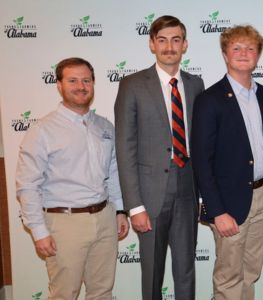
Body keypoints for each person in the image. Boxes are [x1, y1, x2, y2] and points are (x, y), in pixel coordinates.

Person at [16, 57, 129, 299]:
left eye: (86, 80)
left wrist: (120, 211)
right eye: (73, 80)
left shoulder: (105, 127)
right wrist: (38, 230)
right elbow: (27, 185)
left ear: (94, 84)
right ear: (59, 85)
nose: (81, 86)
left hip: (105, 219)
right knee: (64, 294)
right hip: (63, 223)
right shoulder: (42, 130)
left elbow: (113, 172)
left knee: (102, 292)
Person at [114, 15, 204, 300]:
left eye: (175, 40)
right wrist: (134, 206)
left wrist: (203, 197)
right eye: (162, 40)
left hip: (188, 191)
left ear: (185, 45)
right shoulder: (132, 84)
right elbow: (124, 147)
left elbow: (200, 143)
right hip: (150, 197)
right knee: (152, 273)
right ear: (152, 44)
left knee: (186, 270)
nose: (169, 46)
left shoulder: (195, 84)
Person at [191, 25, 263, 300]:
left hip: (262, 196)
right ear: (225, 54)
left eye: (250, 48)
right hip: (228, 203)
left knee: (250, 272)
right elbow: (202, 161)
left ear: (258, 55)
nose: (244, 53)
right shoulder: (209, 99)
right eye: (237, 48)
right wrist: (216, 211)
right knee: (229, 276)